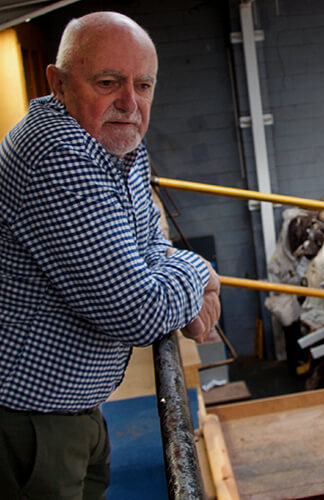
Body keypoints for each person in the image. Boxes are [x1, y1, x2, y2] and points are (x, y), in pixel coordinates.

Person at [0, 11, 221, 499]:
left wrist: (168, 273)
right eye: (108, 82)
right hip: (27, 428)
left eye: (144, 85)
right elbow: (140, 310)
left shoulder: (116, 145)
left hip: (75, 411)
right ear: (56, 82)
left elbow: (149, 244)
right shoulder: (55, 153)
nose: (130, 103)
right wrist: (200, 271)